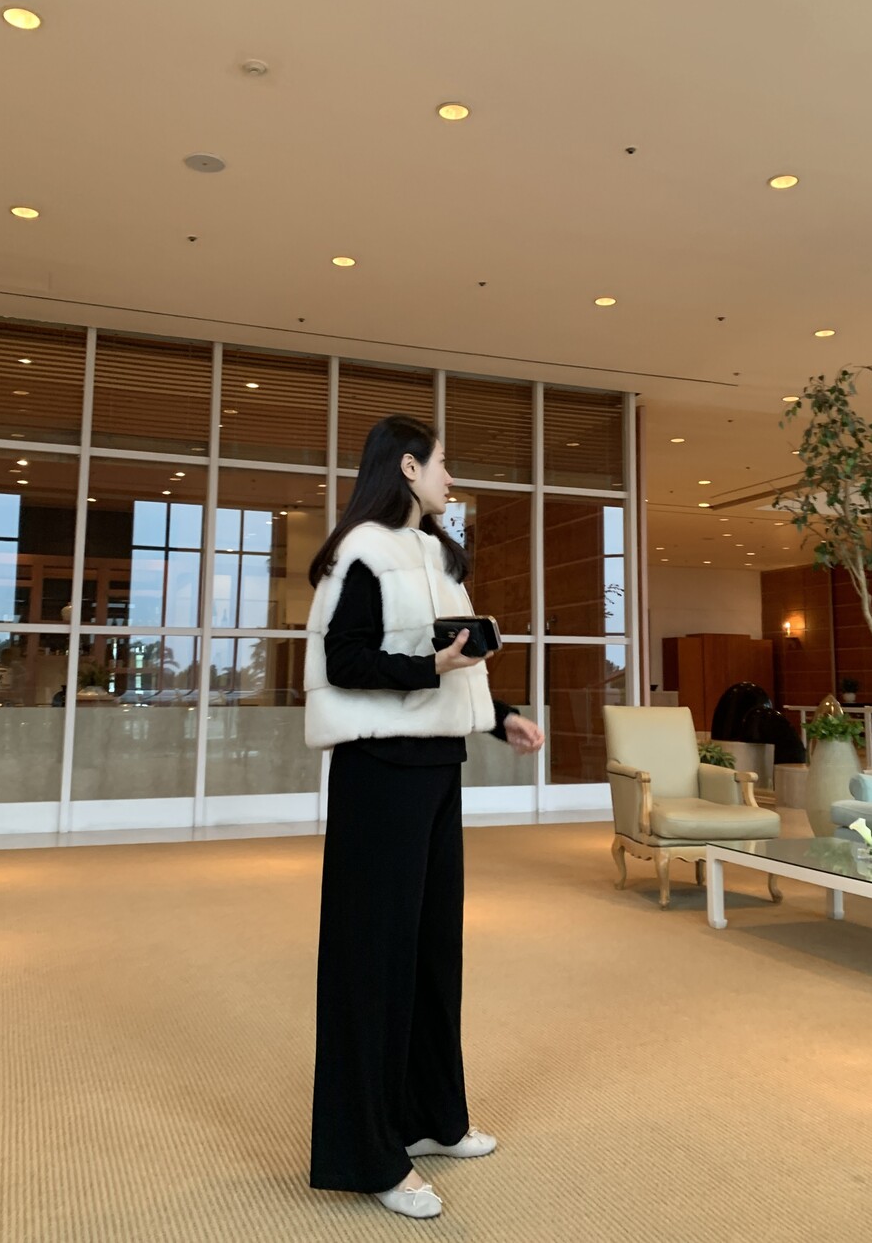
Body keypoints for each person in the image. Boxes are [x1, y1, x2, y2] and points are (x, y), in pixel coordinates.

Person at [305, 414, 544, 1221]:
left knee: (434, 951)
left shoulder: (439, 554)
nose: (451, 477)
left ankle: (431, 1117)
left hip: (439, 768)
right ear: (407, 467)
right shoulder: (361, 551)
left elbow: (452, 666)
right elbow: (343, 659)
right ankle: (369, 1153)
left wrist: (499, 715)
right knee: (374, 961)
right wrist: (432, 663)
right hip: (379, 772)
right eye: (443, 463)